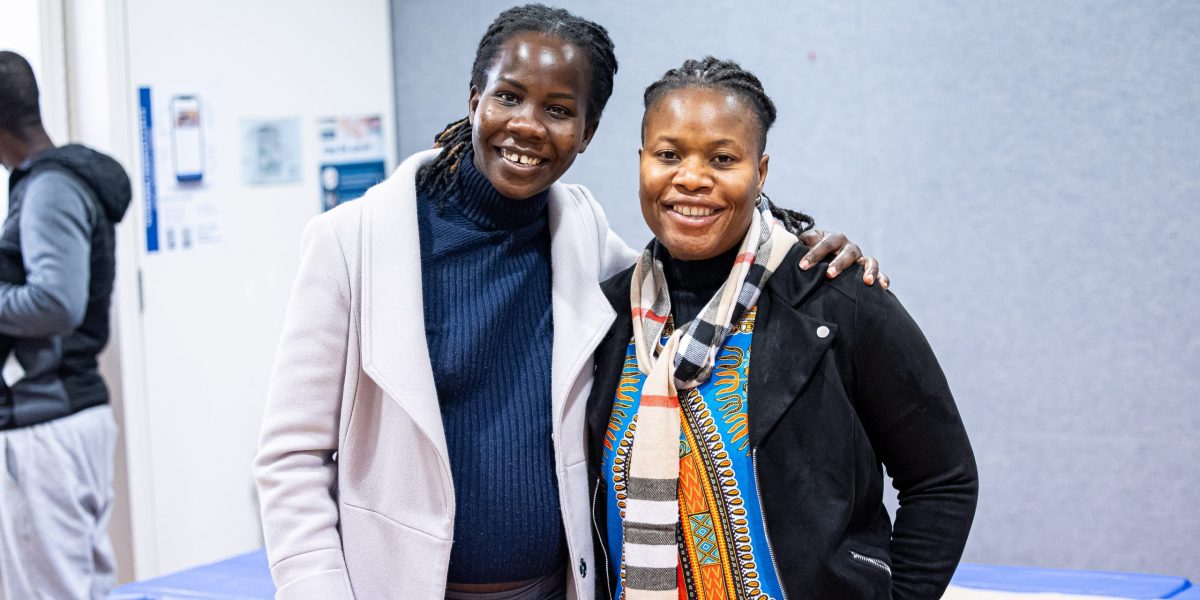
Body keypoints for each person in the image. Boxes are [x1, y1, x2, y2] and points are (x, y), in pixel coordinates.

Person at [253, 6, 881, 599]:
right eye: (507, 96)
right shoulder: (352, 243)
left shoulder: (584, 239)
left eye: (558, 109)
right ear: (475, 100)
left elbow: (702, 267)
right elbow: (291, 458)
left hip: (558, 587)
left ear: (586, 133)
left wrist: (808, 249)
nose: (527, 124)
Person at [586, 57, 978, 600]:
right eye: (668, 155)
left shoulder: (838, 301)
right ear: (642, 162)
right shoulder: (605, 316)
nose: (692, 178)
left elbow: (943, 480)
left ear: (760, 171)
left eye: (723, 158)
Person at [0, 50, 131, 600]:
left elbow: (56, 303)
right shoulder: (54, 181)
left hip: (46, 426)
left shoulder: (49, 187)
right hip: (68, 417)